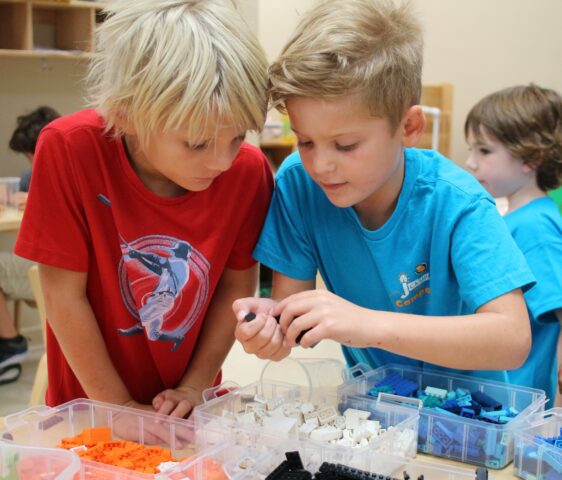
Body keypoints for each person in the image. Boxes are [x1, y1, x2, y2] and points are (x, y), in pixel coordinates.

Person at [232, 0, 535, 383]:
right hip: (374, 414)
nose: (320, 165)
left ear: (409, 127)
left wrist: (366, 324)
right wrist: (271, 330)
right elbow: (292, 318)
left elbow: (511, 339)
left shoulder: (456, 200)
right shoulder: (298, 185)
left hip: (470, 421)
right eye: (306, 141)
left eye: (345, 145)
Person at [14, 0, 272, 417]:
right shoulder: (68, 149)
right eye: (196, 143)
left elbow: (236, 288)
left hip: (191, 409)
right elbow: (63, 296)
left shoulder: (248, 171)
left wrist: (193, 388)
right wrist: (118, 407)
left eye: (236, 136)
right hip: (88, 411)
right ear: (126, 113)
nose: (222, 162)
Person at [465, 84, 562, 406]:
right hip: (502, 392)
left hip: (519, 399)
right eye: (471, 150)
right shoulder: (515, 217)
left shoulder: (536, 227)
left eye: (484, 151)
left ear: (530, 158)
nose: (471, 163)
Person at [0, 106, 60, 385]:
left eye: (31, 154)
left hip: (55, 267)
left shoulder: (68, 170)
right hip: (42, 260)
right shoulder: (28, 177)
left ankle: (11, 343)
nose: (31, 162)